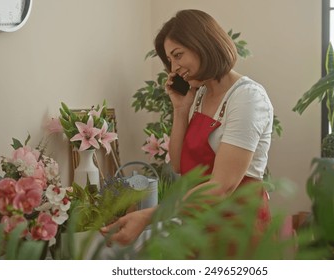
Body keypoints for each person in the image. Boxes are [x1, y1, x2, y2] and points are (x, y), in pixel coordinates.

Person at [101, 9, 274, 249]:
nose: (174, 68)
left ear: (202, 44)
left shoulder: (247, 97)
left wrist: (148, 216)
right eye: (170, 60)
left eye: (178, 55)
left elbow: (222, 186)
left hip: (238, 228)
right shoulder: (201, 95)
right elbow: (180, 165)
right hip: (202, 224)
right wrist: (181, 109)